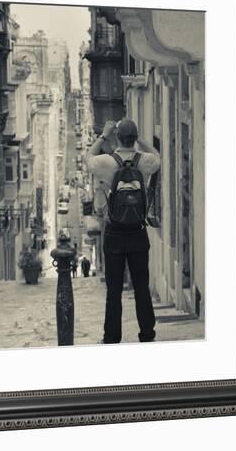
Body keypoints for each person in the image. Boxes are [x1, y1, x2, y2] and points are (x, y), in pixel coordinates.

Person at [86, 118, 160, 343]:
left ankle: (112, 337)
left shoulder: (106, 162)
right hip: (137, 232)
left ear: (117, 138)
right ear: (134, 138)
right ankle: (147, 333)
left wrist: (103, 136)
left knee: (113, 290)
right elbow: (157, 156)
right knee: (141, 287)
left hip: (114, 233)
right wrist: (141, 140)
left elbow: (87, 157)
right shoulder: (145, 161)